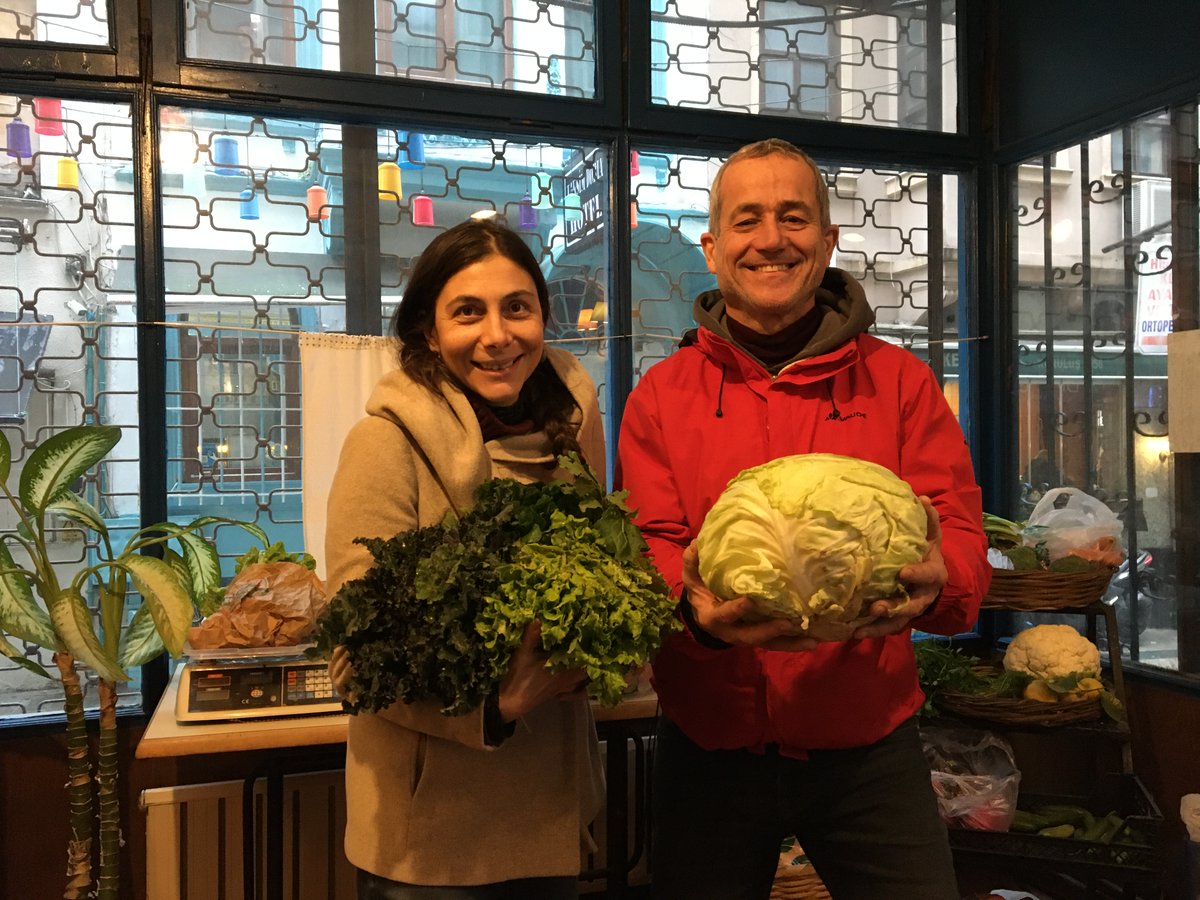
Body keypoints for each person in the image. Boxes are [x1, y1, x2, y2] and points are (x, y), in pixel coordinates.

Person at [616, 138, 990, 900]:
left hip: (867, 744)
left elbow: (958, 533)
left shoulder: (900, 383)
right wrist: (694, 612)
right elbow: (649, 542)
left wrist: (940, 578)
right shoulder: (662, 394)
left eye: (793, 217)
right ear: (713, 248)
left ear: (827, 240)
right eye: (747, 219)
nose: (771, 239)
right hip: (709, 741)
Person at [324, 218, 606, 899]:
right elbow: (353, 659)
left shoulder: (573, 427)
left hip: (551, 815)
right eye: (468, 312)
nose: (497, 335)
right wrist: (493, 705)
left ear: (543, 318)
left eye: (518, 308)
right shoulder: (385, 444)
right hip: (430, 845)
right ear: (429, 330)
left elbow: (600, 577)